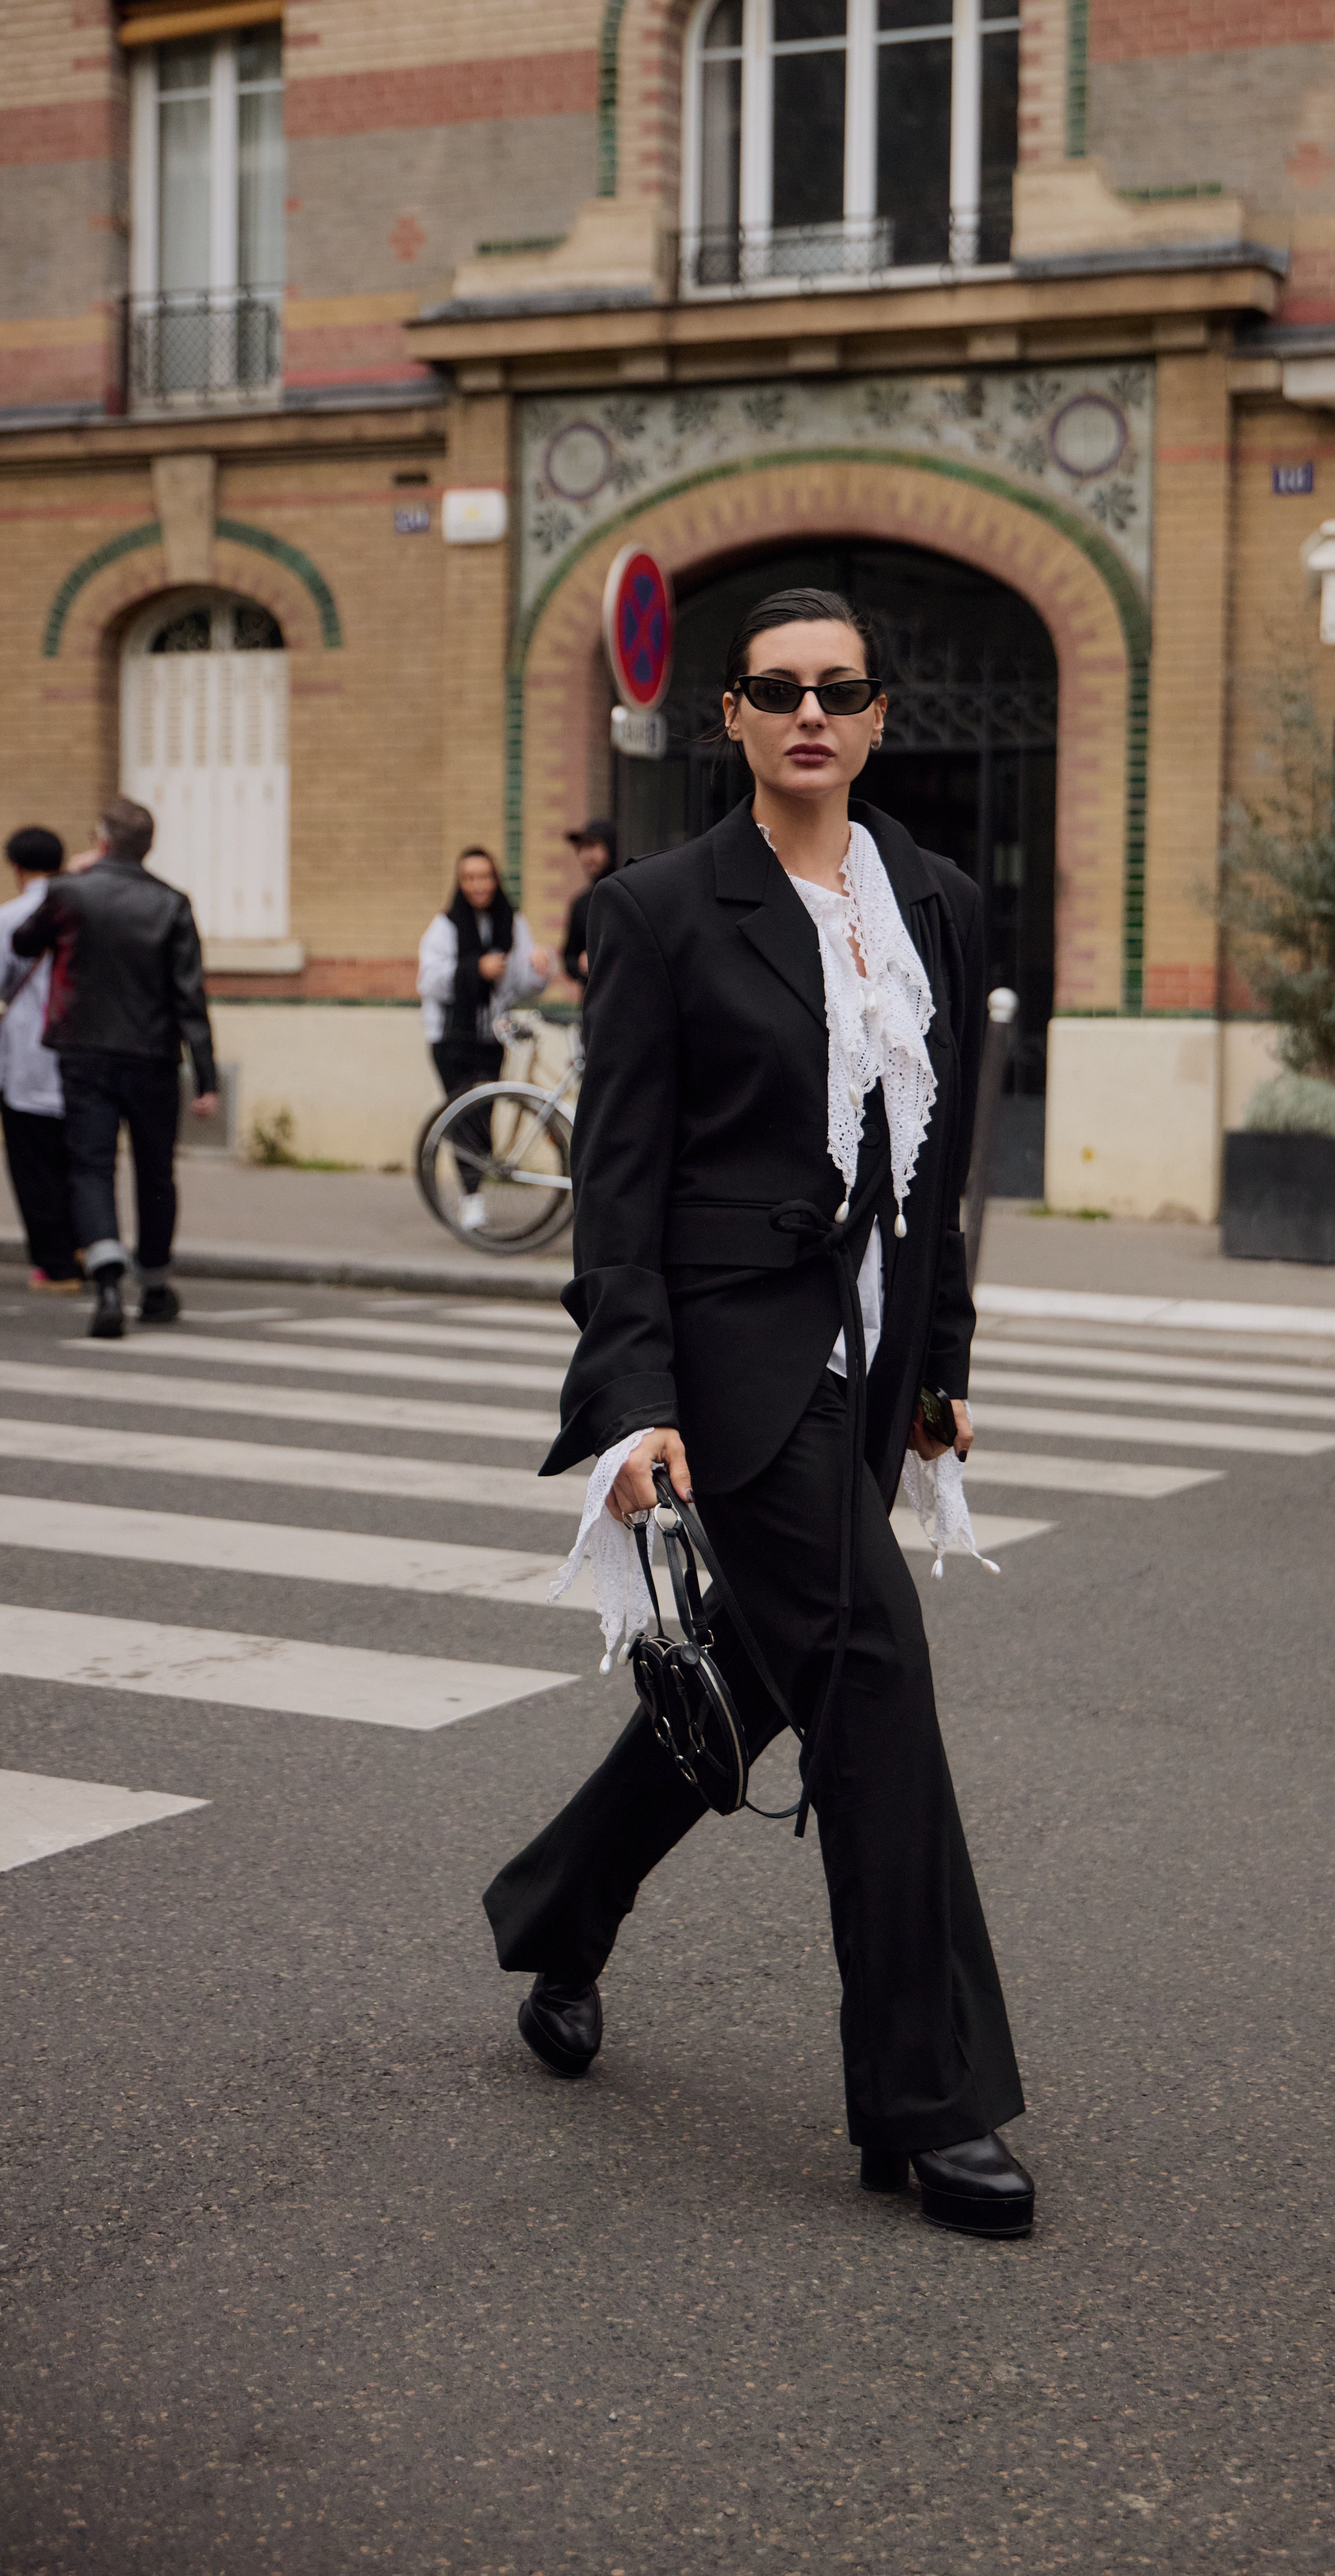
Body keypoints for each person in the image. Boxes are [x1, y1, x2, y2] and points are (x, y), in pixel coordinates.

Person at [481, 587, 1035, 2239]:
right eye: (778, 689)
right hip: (734, 1358)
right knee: (869, 1680)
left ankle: (560, 1909)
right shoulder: (658, 909)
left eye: (841, 688)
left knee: (765, 1670)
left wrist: (938, 1363)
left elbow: (933, 1167)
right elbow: (623, 1176)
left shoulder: (932, 900)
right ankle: (926, 2103)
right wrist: (631, 1400)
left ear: (877, 717)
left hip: (868, 1357)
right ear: (728, 716)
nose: (811, 712)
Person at [12, 796, 217, 1341]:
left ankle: (105, 1278)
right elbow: (190, 996)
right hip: (152, 1056)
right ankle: (153, 1286)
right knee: (155, 1172)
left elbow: (23, 941)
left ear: (101, 840)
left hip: (83, 1053)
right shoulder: (172, 903)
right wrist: (207, 1076)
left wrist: (68, 883)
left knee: (91, 1168)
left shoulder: (69, 892)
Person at [416, 846, 551, 1230]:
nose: (478, 885)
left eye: (485, 877)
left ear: (496, 880)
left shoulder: (511, 923)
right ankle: (471, 1197)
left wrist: (540, 966)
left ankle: (474, 1189)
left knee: (485, 1112)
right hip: (451, 1036)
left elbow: (522, 983)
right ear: (460, 883)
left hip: (491, 1036)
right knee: (462, 1115)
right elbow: (427, 981)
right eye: (470, 878)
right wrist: (475, 969)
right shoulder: (445, 926)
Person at [0, 827, 80, 1294]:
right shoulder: (84, 911)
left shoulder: (10, 917)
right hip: (82, 1054)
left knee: (35, 1164)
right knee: (83, 1159)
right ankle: (86, 1245)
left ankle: (55, 1263)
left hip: (28, 1056)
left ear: (16, 867)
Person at [559, 818, 617, 1003]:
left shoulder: (628, 895)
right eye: (582, 849)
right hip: (593, 1003)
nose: (587, 855)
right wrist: (580, 964)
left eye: (593, 847)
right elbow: (568, 957)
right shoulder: (581, 903)